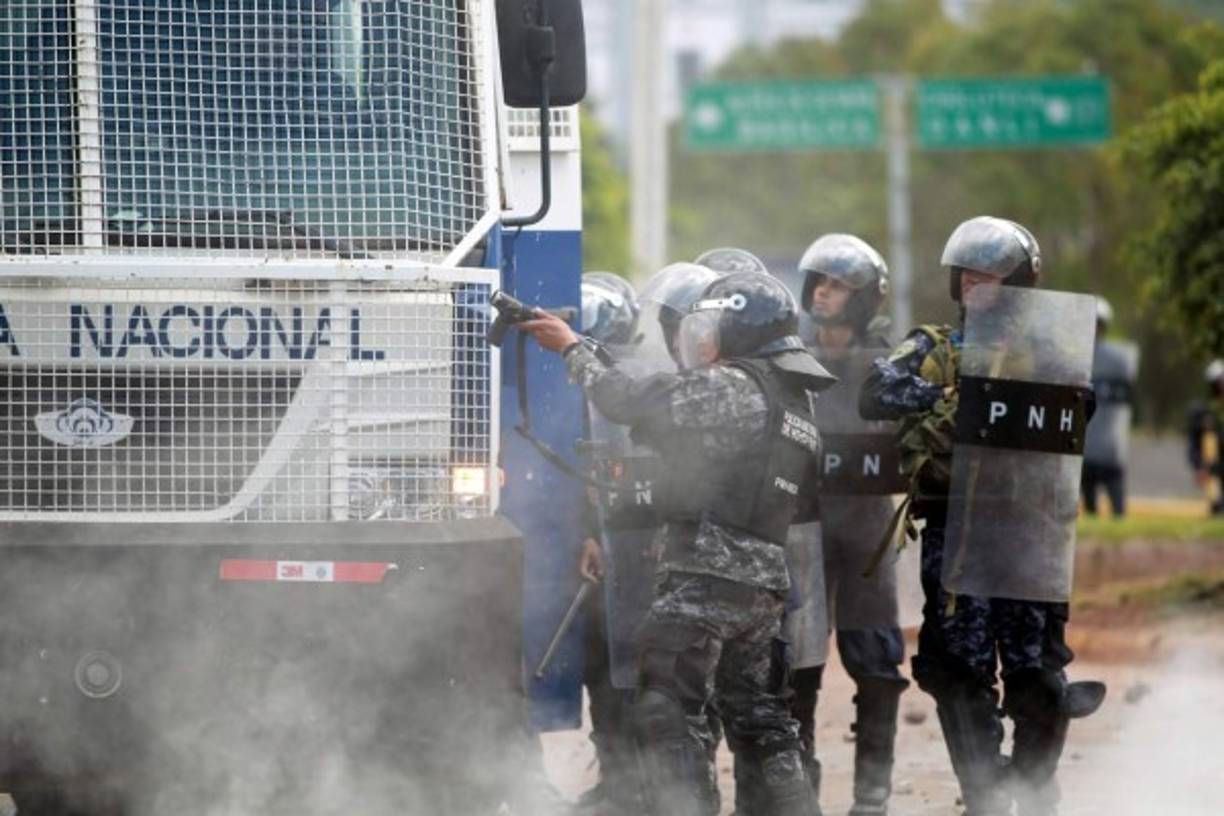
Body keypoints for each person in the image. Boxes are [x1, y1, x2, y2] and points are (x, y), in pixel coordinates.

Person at [522, 269, 833, 816]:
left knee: (668, 709)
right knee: (760, 719)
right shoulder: (793, 394)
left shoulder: (736, 385)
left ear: (740, 329)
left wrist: (571, 348)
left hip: (707, 573)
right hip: (761, 581)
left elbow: (627, 400)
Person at [860, 216, 1102, 816]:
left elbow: (1081, 407)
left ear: (1018, 285)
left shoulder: (1051, 353)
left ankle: (1034, 791)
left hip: (1029, 533)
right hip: (957, 529)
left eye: (988, 276)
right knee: (957, 670)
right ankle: (986, 796)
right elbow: (875, 391)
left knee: (1037, 673)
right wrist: (946, 396)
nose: (973, 284)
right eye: (966, 275)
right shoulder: (934, 348)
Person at [786, 234, 908, 816]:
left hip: (866, 526)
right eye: (818, 283)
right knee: (796, 664)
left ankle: (872, 795)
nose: (823, 294)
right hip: (803, 525)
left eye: (837, 286)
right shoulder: (788, 360)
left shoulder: (892, 365)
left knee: (876, 661)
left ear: (864, 298)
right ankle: (796, 789)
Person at [573, 271, 649, 815]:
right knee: (599, 667)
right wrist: (586, 532)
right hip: (595, 546)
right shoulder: (565, 389)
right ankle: (616, 781)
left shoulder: (639, 384)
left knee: (643, 671)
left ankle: (648, 785)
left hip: (641, 544)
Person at [1081, 297, 1138, 517]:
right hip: (1088, 449)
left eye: (1097, 324)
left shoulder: (1119, 360)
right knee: (1091, 511)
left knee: (1118, 512)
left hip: (1111, 449)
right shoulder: (1121, 360)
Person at [1187, 359, 1224, 516]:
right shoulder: (1204, 412)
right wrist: (1198, 467)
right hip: (1213, 469)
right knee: (1217, 507)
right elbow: (1194, 443)